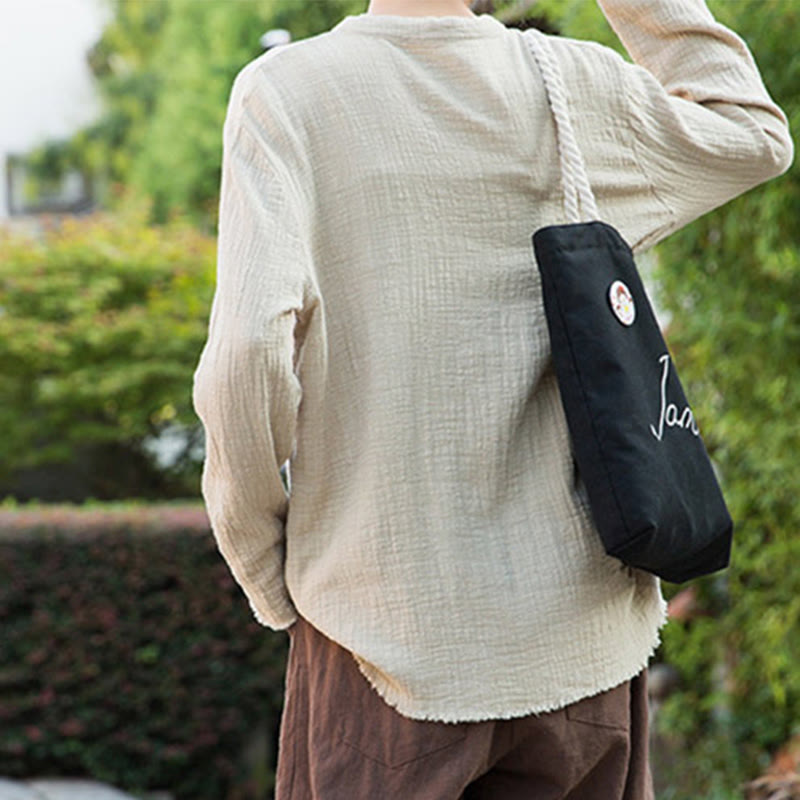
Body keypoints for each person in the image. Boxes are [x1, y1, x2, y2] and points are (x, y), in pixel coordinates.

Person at [192, 0, 792, 796]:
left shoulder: (289, 95)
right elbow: (750, 132)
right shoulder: (568, 84)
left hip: (384, 643)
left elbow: (246, 359)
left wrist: (269, 575)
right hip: (584, 654)